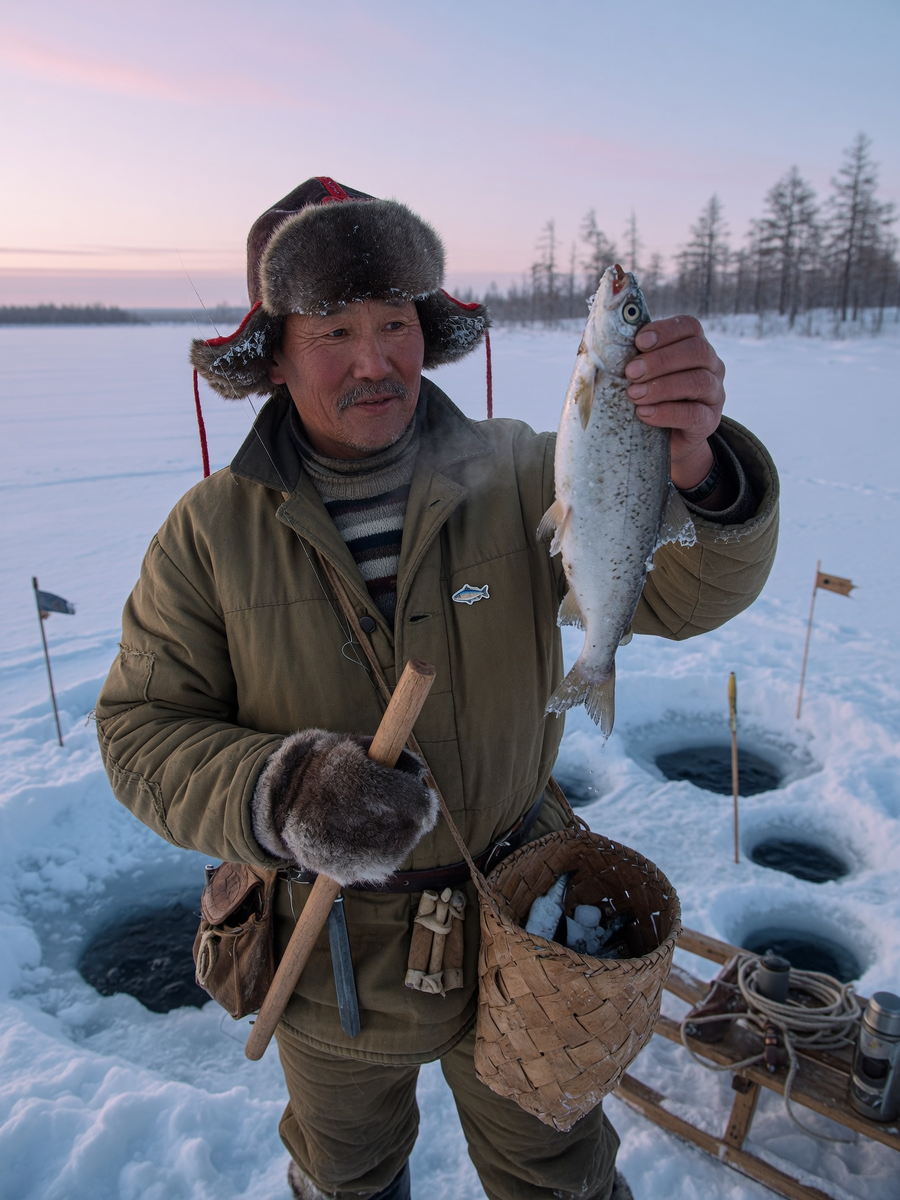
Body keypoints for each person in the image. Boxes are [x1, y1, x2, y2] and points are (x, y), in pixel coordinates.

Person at [96, 177, 778, 1200]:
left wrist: (698, 473)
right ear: (274, 352)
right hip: (327, 950)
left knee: (561, 1176)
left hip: (530, 919)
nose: (375, 360)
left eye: (395, 322)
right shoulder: (210, 533)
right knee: (346, 1176)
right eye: (333, 328)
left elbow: (680, 591)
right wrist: (282, 793)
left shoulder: (519, 468)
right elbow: (141, 732)